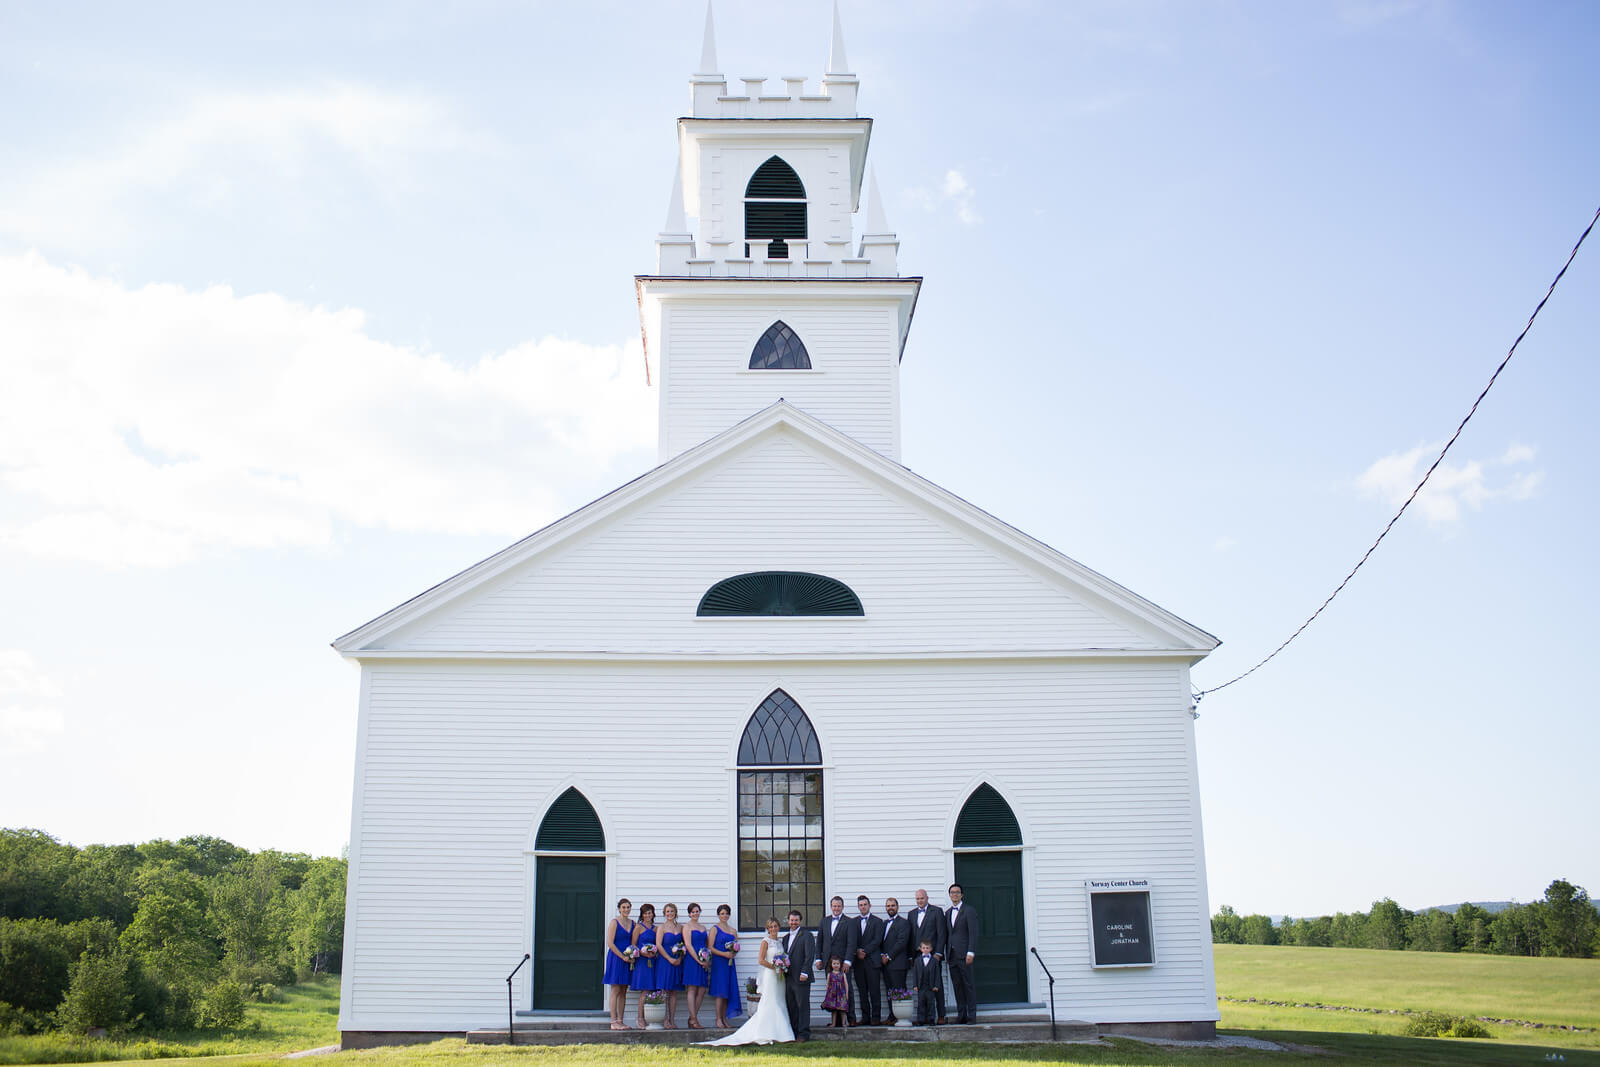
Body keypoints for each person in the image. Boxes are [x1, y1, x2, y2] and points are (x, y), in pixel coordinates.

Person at [699, 917, 795, 1045]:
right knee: (770, 1002)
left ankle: (782, 1032)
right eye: (771, 927)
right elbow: (760, 960)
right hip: (770, 976)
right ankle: (765, 1032)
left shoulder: (779, 942)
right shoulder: (765, 941)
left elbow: (783, 957)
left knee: (779, 1001)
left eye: (775, 926)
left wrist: (782, 966)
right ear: (767, 929)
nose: (773, 929)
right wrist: (775, 967)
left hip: (779, 977)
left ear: (778, 927)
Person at [813, 895, 857, 1022]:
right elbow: (819, 941)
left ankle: (851, 1018)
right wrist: (818, 959)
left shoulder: (850, 922)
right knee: (832, 991)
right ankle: (835, 1021)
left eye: (838, 906)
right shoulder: (824, 921)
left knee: (847, 990)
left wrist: (848, 961)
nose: (836, 908)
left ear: (842, 907)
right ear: (831, 907)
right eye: (834, 906)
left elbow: (851, 943)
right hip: (827, 962)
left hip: (843, 962)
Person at [907, 888, 946, 1023]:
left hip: (933, 956)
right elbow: (911, 936)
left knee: (936, 985)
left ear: (927, 898)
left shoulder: (936, 911)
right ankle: (921, 1017)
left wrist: (939, 953)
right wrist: (911, 956)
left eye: (922, 898)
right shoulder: (911, 914)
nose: (919, 901)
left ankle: (941, 1015)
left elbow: (942, 934)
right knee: (920, 987)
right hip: (918, 957)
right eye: (917, 898)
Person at [945, 883, 978, 1024]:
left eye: (957, 892)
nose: (955, 895)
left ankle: (971, 1015)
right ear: (950, 895)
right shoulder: (947, 913)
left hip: (965, 955)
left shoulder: (968, 910)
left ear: (962, 895)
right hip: (952, 955)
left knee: (968, 985)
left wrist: (971, 952)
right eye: (952, 892)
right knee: (957, 986)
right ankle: (961, 1014)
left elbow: (973, 933)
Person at [781, 909, 815, 1041]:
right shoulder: (785, 938)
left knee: (802, 1006)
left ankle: (803, 1033)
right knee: (792, 1005)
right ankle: (793, 1032)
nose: (793, 922)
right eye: (791, 920)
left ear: (800, 921)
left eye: (796, 920)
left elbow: (809, 955)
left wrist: (805, 972)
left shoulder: (807, 935)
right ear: (788, 921)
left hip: (801, 977)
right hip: (788, 977)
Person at [602, 898, 636, 1030]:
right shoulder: (614, 923)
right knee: (615, 989)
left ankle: (621, 1020)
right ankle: (613, 1021)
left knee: (623, 990)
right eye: (623, 907)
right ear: (619, 909)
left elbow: (633, 942)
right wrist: (622, 956)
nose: (626, 910)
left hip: (628, 959)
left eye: (628, 907)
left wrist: (632, 956)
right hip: (616, 958)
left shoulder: (632, 923)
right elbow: (610, 942)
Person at [706, 903, 742, 1027]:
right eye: (722, 913)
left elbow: (736, 947)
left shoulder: (733, 931)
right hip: (719, 963)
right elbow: (710, 947)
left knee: (728, 989)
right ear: (718, 915)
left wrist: (733, 953)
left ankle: (725, 1018)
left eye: (726, 913)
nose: (724, 915)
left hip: (730, 963)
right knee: (720, 990)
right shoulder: (714, 929)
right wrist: (724, 954)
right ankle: (718, 1019)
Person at [852, 895, 884, 1025]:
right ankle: (865, 1017)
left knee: (874, 990)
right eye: (860, 905)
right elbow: (851, 940)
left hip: (872, 960)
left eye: (865, 904)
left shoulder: (878, 921)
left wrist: (865, 951)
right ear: (858, 907)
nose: (863, 907)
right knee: (862, 991)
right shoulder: (853, 922)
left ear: (869, 906)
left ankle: (876, 1017)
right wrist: (857, 951)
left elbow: (877, 940)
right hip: (858, 962)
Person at [879, 897, 910, 1023]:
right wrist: (882, 955)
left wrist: (888, 956)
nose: (890, 907)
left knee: (898, 990)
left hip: (898, 963)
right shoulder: (884, 923)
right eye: (888, 906)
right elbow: (881, 941)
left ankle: (900, 1016)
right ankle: (892, 1015)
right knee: (889, 991)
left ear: (897, 907)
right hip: (885, 965)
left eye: (892, 905)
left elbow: (901, 942)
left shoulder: (904, 923)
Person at [629, 903, 660, 1028]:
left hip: (652, 961)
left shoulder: (656, 929)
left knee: (653, 989)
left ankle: (652, 1017)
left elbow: (658, 944)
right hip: (642, 962)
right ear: (642, 915)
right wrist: (641, 952)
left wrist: (653, 952)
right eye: (646, 913)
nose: (648, 915)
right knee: (645, 990)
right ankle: (640, 1018)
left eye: (650, 913)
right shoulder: (638, 927)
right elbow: (633, 945)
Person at [681, 902, 710, 1029]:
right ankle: (694, 1019)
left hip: (704, 959)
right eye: (692, 912)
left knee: (702, 989)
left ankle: (692, 1018)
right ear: (689, 914)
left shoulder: (703, 927)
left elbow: (707, 944)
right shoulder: (687, 927)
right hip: (692, 960)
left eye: (697, 911)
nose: (695, 913)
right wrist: (698, 960)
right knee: (692, 989)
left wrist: (707, 959)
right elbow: (688, 945)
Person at [657, 903, 686, 1028]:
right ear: (664, 913)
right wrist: (669, 958)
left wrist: (680, 958)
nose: (670, 913)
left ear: (676, 913)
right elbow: (658, 945)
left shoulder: (681, 927)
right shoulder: (661, 928)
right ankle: (664, 1020)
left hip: (677, 961)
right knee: (664, 991)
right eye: (667, 911)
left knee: (674, 992)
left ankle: (672, 1020)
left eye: (672, 911)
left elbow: (684, 944)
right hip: (665, 961)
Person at [911, 938, 941, 1026]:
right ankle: (920, 1019)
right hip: (921, 986)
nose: (925, 949)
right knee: (921, 1003)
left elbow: (937, 974)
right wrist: (915, 985)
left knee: (931, 1003)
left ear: (931, 949)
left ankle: (931, 1019)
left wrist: (936, 985)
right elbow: (915, 974)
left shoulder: (934, 961)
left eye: (927, 948)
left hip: (931, 986)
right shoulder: (917, 961)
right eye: (924, 948)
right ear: (920, 949)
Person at [820, 956, 849, 1027]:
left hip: (841, 994)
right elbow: (827, 984)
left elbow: (846, 985)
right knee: (834, 1010)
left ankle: (843, 1023)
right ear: (831, 965)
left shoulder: (843, 974)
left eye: (837, 964)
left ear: (840, 965)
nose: (836, 965)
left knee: (843, 1009)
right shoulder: (830, 974)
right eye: (834, 963)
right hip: (832, 994)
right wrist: (827, 994)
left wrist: (847, 994)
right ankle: (833, 1023)